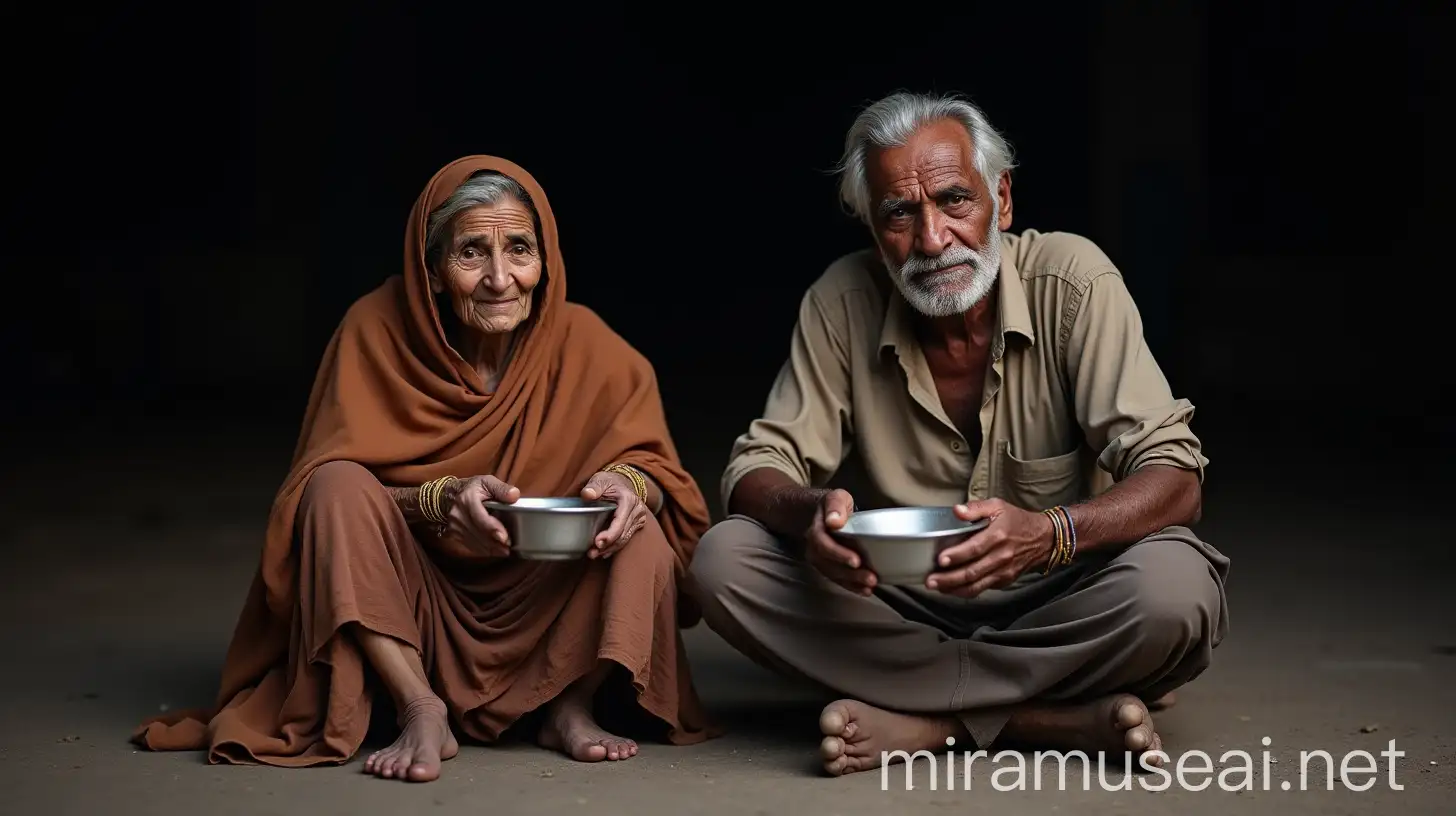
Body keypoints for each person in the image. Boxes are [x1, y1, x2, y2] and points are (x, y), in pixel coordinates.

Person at [691, 92, 1230, 777]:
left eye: (954, 201)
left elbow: (1176, 478)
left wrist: (1050, 534)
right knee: (724, 559)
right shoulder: (841, 299)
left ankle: (924, 721)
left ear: (1001, 200)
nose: (932, 239)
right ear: (871, 227)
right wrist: (809, 517)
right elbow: (758, 467)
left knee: (1175, 589)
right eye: (899, 213)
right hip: (896, 602)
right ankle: (1045, 717)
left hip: (1062, 593)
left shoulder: (1074, 281)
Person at [133, 156, 718, 782]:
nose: (500, 279)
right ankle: (418, 704)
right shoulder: (373, 330)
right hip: (411, 605)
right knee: (333, 489)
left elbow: (666, 481)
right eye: (472, 253)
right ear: (432, 269)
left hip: (547, 603)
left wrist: (630, 486)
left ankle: (568, 705)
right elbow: (313, 502)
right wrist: (435, 501)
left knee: (643, 531)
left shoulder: (595, 349)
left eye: (520, 250)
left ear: (546, 263)